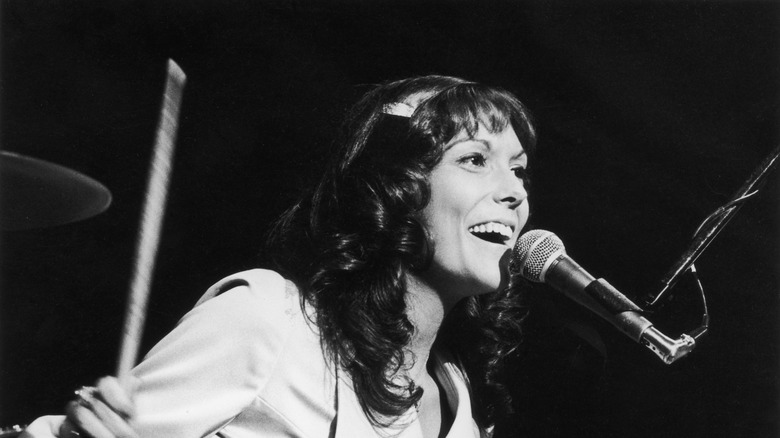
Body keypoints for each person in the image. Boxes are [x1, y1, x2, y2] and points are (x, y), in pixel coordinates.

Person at [21, 75, 537, 438]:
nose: (514, 191)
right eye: (474, 159)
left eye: (518, 170)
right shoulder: (272, 319)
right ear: (391, 190)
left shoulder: (460, 396)